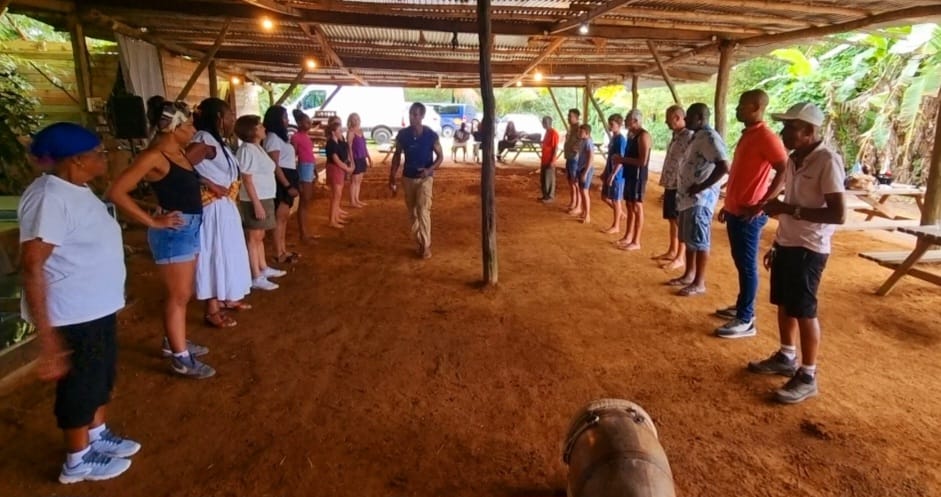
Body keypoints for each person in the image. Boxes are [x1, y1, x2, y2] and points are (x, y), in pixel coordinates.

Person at [21, 123, 140, 483]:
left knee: (100, 376)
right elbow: (32, 266)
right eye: (99, 153)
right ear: (76, 159)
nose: (105, 158)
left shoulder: (76, 188)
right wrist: (48, 340)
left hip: (95, 306)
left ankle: (95, 435)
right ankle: (77, 461)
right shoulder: (49, 198)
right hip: (73, 312)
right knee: (80, 385)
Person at [106, 97, 215, 379]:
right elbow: (117, 192)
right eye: (188, 125)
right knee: (177, 296)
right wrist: (153, 220)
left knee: (183, 293)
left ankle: (174, 341)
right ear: (173, 127)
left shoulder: (178, 153)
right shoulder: (154, 156)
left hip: (188, 226)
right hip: (173, 231)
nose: (193, 130)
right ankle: (180, 357)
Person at [747, 102, 845, 404]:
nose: (784, 131)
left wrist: (788, 209)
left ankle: (808, 373)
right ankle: (786, 356)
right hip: (788, 242)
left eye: (790, 127)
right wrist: (777, 219)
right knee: (784, 304)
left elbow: (837, 214)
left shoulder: (826, 161)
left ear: (809, 131)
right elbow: (790, 201)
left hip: (809, 248)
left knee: (804, 309)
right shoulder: (793, 159)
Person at [714, 90, 789, 339]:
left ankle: (746, 319)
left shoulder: (767, 137)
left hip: (750, 215)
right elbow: (741, 175)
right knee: (740, 262)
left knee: (747, 266)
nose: (737, 109)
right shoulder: (749, 135)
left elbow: (783, 168)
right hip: (737, 210)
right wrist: (729, 205)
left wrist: (763, 203)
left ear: (757, 106)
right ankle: (741, 306)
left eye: (742, 106)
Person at [191, 98, 252, 327]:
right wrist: (209, 183)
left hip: (224, 206)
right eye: (229, 116)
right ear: (218, 118)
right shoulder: (203, 140)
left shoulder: (218, 141)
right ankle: (212, 309)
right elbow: (182, 166)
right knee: (214, 255)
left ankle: (225, 296)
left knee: (227, 253)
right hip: (213, 208)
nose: (232, 121)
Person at [669, 103, 729, 297]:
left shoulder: (710, 138)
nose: (686, 120)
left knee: (700, 241)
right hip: (688, 199)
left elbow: (723, 166)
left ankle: (699, 282)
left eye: (690, 117)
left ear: (701, 118)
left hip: (700, 200)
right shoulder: (697, 136)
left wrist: (701, 186)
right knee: (689, 239)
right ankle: (688, 275)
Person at [235, 114, 286, 291]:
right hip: (255, 198)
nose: (264, 128)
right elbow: (247, 179)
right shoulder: (247, 150)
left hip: (263, 196)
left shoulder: (256, 147)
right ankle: (256, 274)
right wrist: (256, 203)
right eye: (260, 126)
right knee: (254, 236)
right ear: (252, 130)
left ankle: (262, 267)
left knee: (260, 236)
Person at [389, 102, 443, 259]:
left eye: (416, 114)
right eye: (411, 114)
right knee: (412, 212)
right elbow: (397, 155)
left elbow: (440, 157)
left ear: (422, 116)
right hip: (408, 178)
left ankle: (426, 246)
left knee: (423, 209)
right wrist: (392, 175)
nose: (413, 117)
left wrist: (429, 170)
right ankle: (420, 241)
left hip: (425, 179)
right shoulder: (403, 135)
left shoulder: (431, 135)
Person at [653, 105, 694, 271]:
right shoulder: (676, 135)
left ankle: (680, 257)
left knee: (679, 221)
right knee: (671, 218)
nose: (665, 122)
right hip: (671, 183)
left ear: (677, 118)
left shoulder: (689, 136)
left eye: (668, 118)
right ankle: (672, 250)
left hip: (680, 185)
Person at [263, 106, 300, 264]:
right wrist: (286, 185)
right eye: (284, 117)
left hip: (288, 176)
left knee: (284, 217)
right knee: (280, 217)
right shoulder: (272, 138)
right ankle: (279, 252)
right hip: (281, 179)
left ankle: (283, 249)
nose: (287, 120)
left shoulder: (280, 138)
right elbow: (275, 165)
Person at [613, 109, 652, 250]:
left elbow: (643, 161)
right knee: (629, 205)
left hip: (638, 176)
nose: (625, 122)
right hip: (629, 173)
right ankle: (628, 236)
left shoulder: (643, 136)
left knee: (636, 206)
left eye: (627, 119)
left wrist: (621, 159)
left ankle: (636, 241)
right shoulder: (631, 135)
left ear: (635, 120)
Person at [290, 109, 317, 242]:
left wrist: (315, 171)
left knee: (307, 201)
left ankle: (305, 232)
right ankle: (303, 234)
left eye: (309, 121)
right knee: (304, 202)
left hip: (309, 167)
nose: (309, 124)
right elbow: (293, 156)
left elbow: (310, 155)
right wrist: (296, 176)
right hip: (304, 168)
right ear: (299, 123)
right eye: (307, 122)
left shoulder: (306, 136)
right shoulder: (295, 137)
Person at [600, 114, 627, 233]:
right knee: (604, 197)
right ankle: (620, 213)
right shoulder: (613, 139)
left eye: (612, 124)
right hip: (610, 171)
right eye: (609, 123)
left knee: (616, 200)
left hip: (618, 175)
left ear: (619, 125)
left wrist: (613, 174)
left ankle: (616, 226)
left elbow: (621, 159)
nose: (610, 126)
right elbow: (610, 157)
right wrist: (606, 172)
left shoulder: (621, 140)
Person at [326, 120, 354, 228]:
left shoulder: (337, 142)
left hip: (338, 169)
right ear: (333, 132)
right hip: (334, 169)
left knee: (338, 195)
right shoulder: (331, 143)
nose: (341, 131)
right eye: (339, 130)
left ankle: (335, 217)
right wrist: (347, 168)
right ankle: (332, 220)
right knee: (336, 195)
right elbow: (335, 159)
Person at [346, 112, 371, 208]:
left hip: (362, 158)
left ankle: (357, 199)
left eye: (357, 119)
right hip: (355, 158)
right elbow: (349, 147)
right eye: (353, 119)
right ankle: (352, 201)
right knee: (354, 181)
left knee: (359, 180)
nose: (356, 121)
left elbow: (364, 146)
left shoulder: (360, 131)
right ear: (350, 121)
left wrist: (368, 157)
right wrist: (351, 161)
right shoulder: (351, 132)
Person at [563, 109, 582, 214]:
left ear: (576, 117)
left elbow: (583, 140)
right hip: (569, 157)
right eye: (568, 116)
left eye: (570, 116)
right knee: (571, 181)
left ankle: (578, 206)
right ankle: (573, 202)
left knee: (576, 182)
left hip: (575, 158)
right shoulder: (571, 128)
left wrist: (577, 148)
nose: (568, 118)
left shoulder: (579, 129)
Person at [574, 124, 594, 224]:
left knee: (585, 192)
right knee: (582, 191)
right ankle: (584, 211)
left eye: (581, 132)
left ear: (587, 133)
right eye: (579, 131)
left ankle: (588, 215)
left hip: (586, 169)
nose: (579, 133)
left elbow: (591, 158)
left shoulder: (588, 142)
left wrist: (585, 172)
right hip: (580, 168)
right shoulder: (583, 141)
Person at [538, 116, 560, 203]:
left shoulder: (553, 133)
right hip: (544, 158)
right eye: (543, 122)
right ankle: (545, 195)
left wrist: (553, 160)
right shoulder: (547, 132)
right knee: (543, 178)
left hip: (549, 159)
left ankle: (550, 196)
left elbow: (555, 148)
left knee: (549, 178)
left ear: (549, 123)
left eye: (545, 123)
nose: (543, 124)